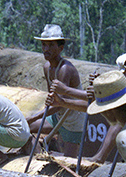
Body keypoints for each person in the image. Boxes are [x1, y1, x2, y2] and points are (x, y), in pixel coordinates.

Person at [26, 24, 87, 157]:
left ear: (60, 48)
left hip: (73, 119)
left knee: (69, 162)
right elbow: (53, 101)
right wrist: (31, 120)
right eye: (43, 45)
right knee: (27, 129)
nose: (46, 49)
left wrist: (32, 117)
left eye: (51, 45)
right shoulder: (47, 67)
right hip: (57, 116)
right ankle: (40, 156)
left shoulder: (65, 69)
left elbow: (58, 104)